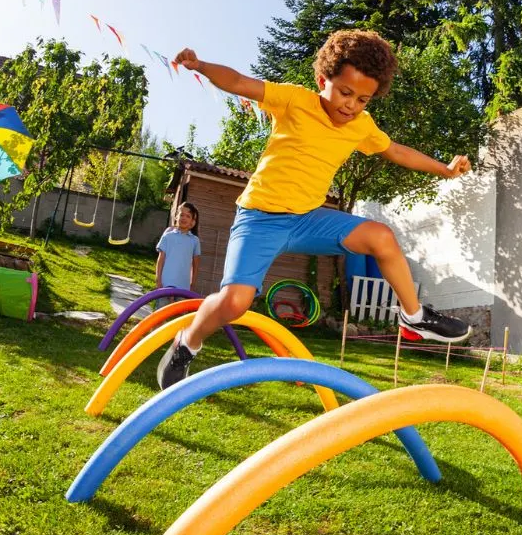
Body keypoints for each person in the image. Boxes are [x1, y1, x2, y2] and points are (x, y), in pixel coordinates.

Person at [158, 29, 472, 390]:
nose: (351, 105)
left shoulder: (361, 126)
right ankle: (188, 342)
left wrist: (445, 170)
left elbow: (397, 151)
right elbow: (241, 82)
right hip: (260, 219)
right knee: (235, 302)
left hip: (307, 219)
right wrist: (201, 66)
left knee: (381, 237)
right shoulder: (294, 100)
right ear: (323, 80)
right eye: (345, 92)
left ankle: (413, 317)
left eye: (363, 100)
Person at [154, 202, 201, 305]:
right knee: (161, 315)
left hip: (183, 287)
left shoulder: (195, 241)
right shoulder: (168, 236)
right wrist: (159, 280)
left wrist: (192, 284)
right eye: (181, 215)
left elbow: (196, 265)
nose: (184, 218)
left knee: (181, 317)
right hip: (165, 284)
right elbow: (160, 259)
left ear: (193, 222)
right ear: (176, 217)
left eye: (188, 216)